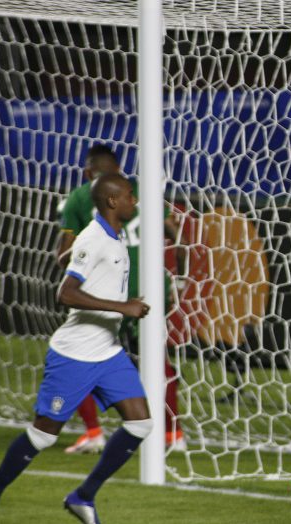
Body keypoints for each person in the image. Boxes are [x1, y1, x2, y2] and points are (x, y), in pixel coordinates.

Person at [0, 173, 153, 524]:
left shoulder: (110, 235)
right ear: (112, 201)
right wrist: (123, 307)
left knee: (140, 423)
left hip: (108, 352)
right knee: (42, 436)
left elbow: (73, 259)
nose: (135, 201)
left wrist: (76, 256)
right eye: (130, 195)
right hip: (74, 355)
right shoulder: (95, 238)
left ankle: (83, 496)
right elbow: (65, 294)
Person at [57, 144, 183, 454]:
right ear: (118, 170)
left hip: (104, 294)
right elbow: (174, 234)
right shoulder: (139, 192)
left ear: (88, 173)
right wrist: (178, 278)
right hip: (150, 291)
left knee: (78, 359)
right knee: (158, 361)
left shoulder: (79, 198)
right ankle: (173, 434)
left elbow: (64, 253)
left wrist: (80, 261)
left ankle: (93, 432)